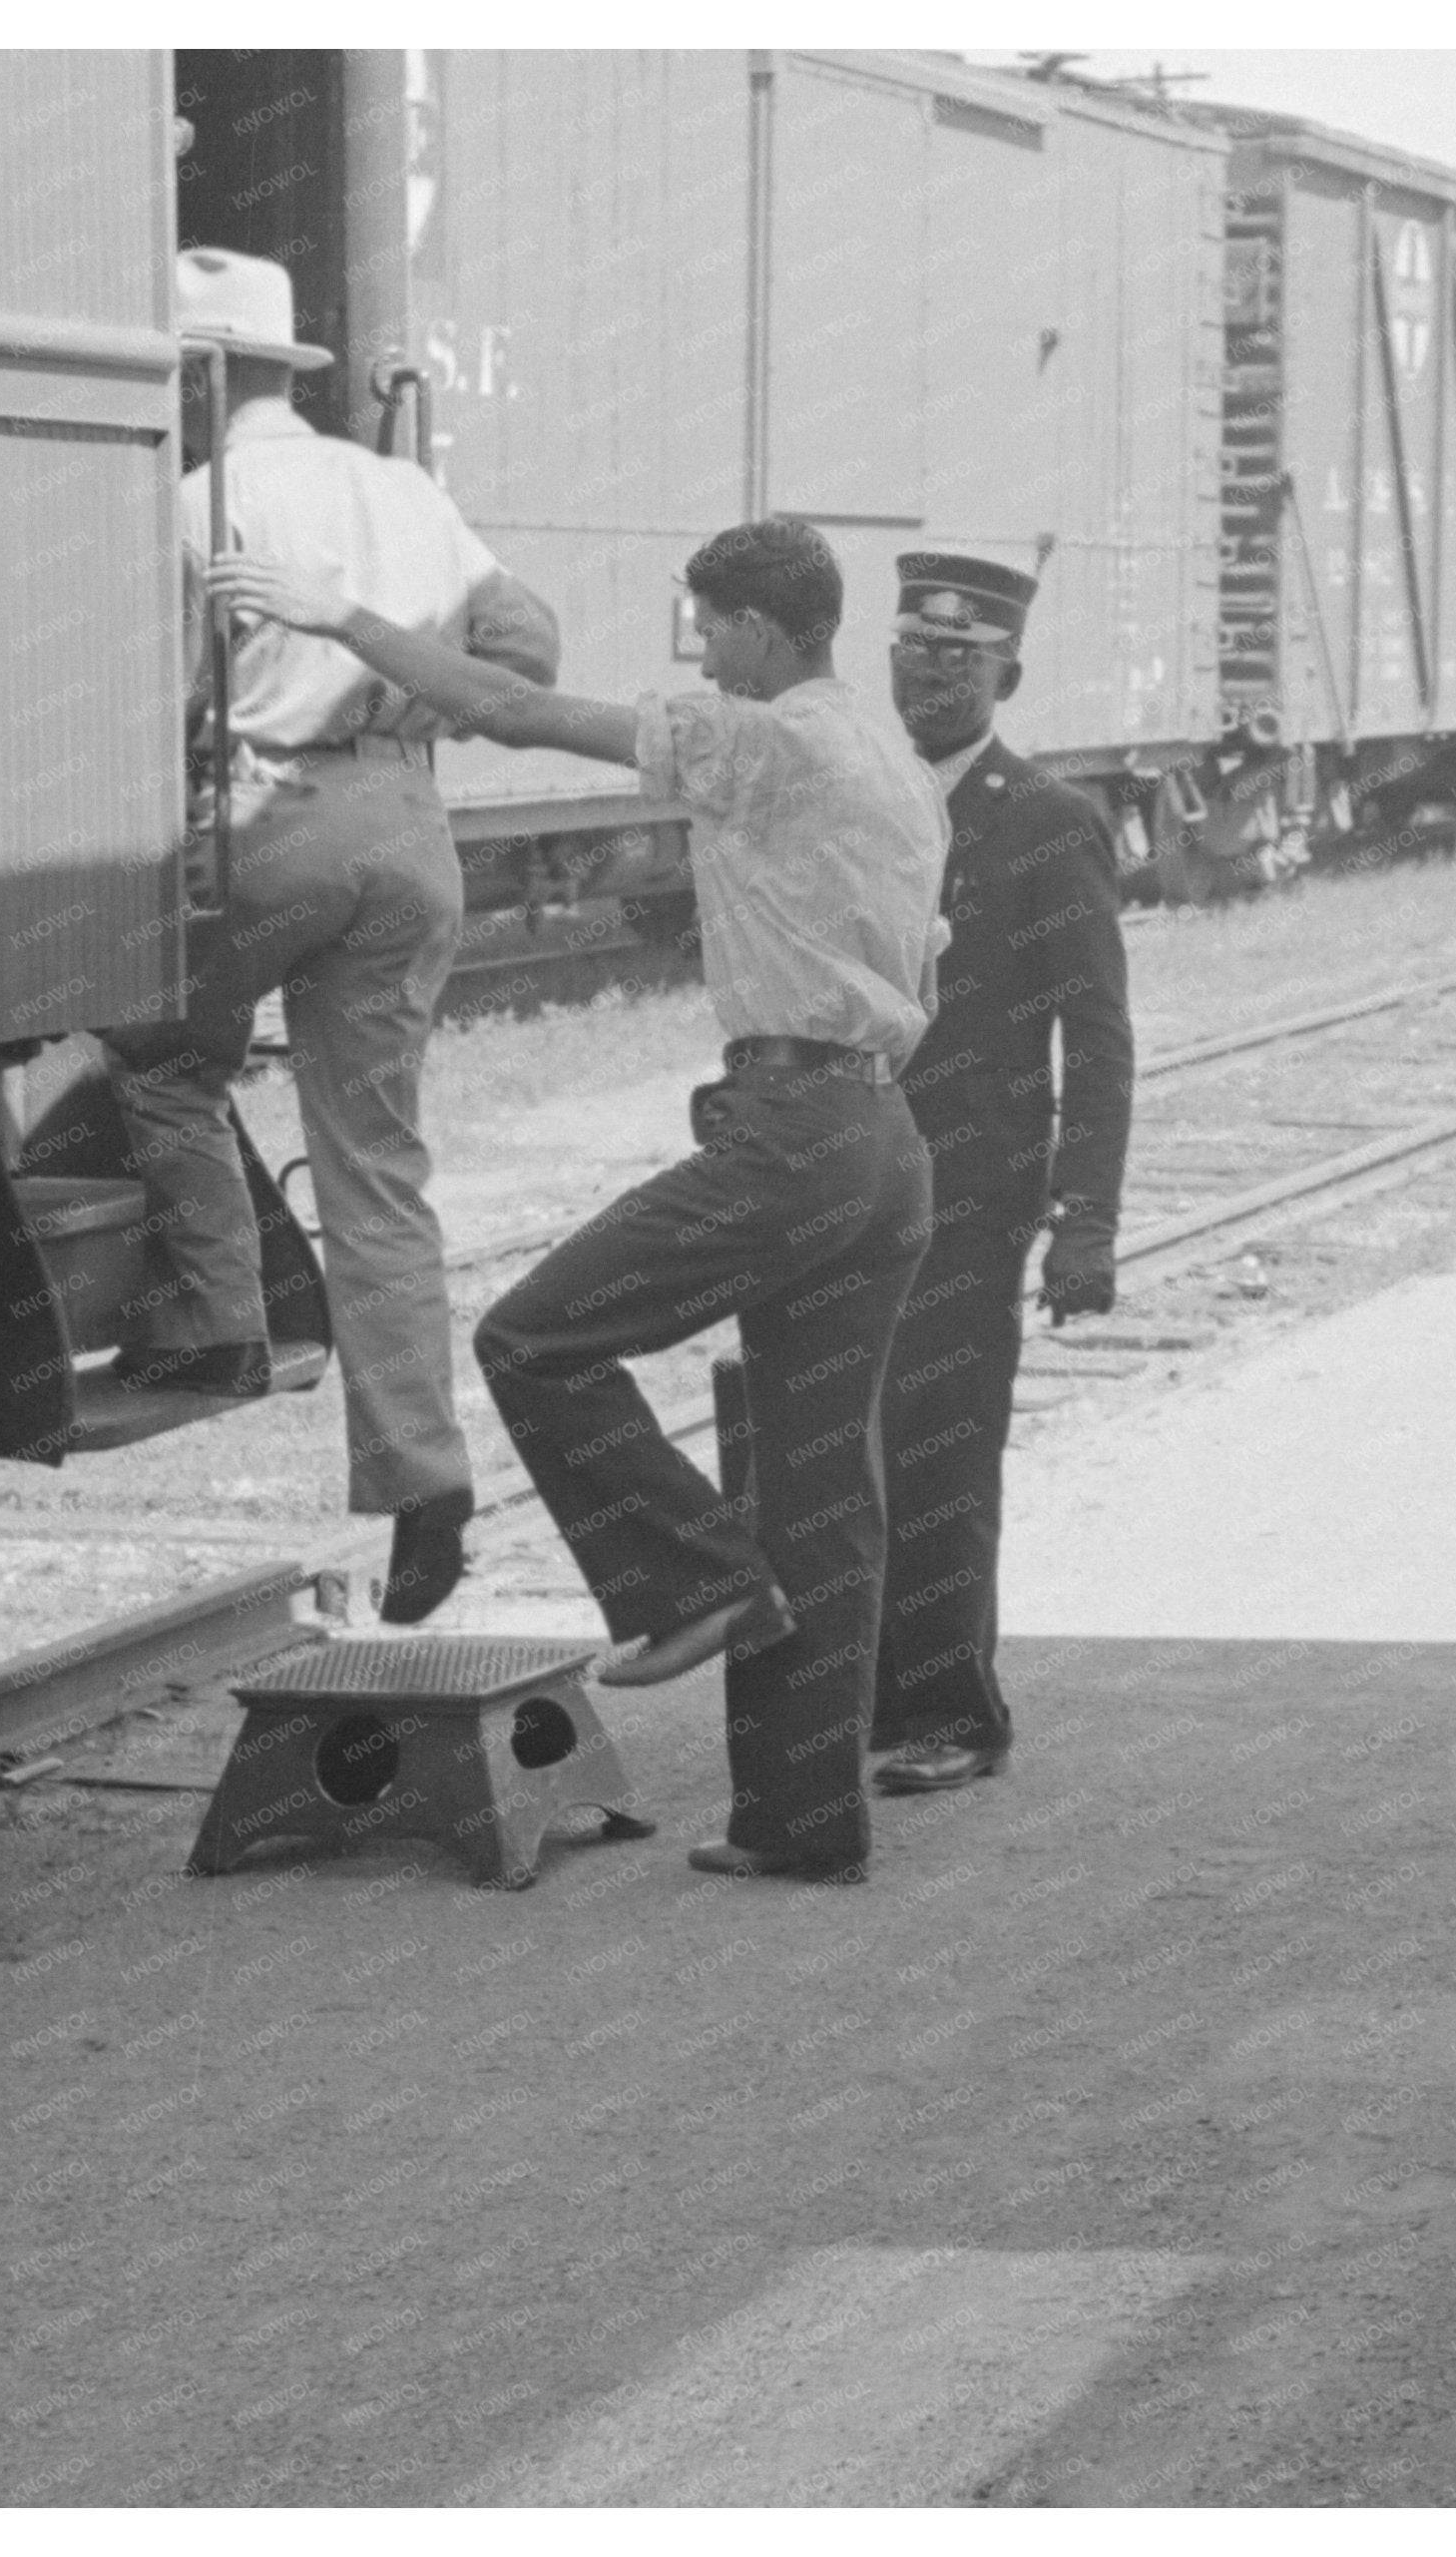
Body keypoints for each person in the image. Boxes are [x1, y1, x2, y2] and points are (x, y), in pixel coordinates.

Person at [210, 518, 944, 1884]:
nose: (701, 654)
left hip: (791, 1129)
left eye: (711, 627)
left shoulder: (766, 739)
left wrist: (335, 612)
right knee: (822, 1492)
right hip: (881, 1141)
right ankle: (803, 1820)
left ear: (768, 631)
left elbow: (509, 708)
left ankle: (693, 1582)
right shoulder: (893, 756)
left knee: (535, 1339)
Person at [105, 248, 560, 1624]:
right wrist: (413, 710)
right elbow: (525, 641)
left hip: (268, 819)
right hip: (408, 830)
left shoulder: (191, 506)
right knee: (378, 1171)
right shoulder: (409, 489)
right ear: (282, 370)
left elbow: (168, 706)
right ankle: (425, 1477)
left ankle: (217, 1312)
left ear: (200, 374)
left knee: (159, 1056)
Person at [867, 557, 1136, 1796]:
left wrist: (1086, 1220)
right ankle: (855, 1701)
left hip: (974, 1186)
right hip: (847, 1174)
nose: (931, 673)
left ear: (1005, 677)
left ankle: (952, 1717)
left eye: (960, 659)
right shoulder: (860, 798)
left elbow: (1097, 1031)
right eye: (915, 650)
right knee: (838, 1446)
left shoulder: (1045, 820)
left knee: (942, 1448)